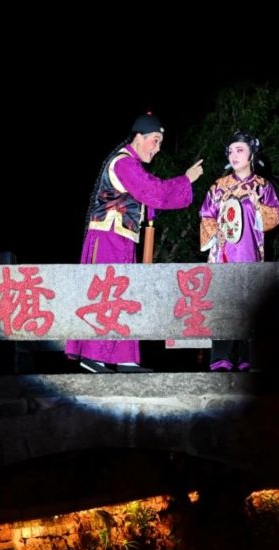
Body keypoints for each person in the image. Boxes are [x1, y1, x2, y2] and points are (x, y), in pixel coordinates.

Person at [65, 113, 204, 373]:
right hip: (108, 236)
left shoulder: (131, 164)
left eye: (160, 142)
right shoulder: (124, 163)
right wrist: (186, 180)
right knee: (107, 293)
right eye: (155, 140)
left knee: (124, 295)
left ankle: (125, 358)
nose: (157, 148)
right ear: (139, 137)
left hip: (121, 237)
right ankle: (93, 355)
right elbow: (153, 191)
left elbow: (145, 199)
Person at [199, 130, 279, 371]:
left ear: (251, 154)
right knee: (224, 304)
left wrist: (258, 207)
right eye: (230, 151)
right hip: (223, 255)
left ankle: (247, 357)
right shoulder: (218, 187)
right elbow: (206, 214)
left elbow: (276, 214)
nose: (233, 155)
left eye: (239, 150)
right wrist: (215, 233)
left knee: (249, 306)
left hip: (250, 254)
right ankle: (221, 358)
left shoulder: (263, 187)